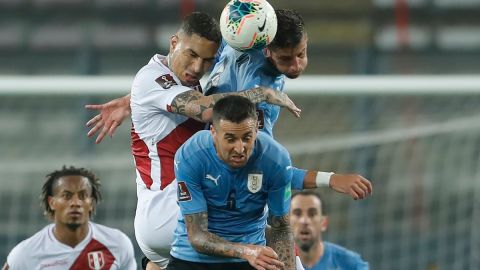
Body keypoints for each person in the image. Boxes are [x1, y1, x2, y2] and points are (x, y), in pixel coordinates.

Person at [85, 9, 372, 202]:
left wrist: (134, 98)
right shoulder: (260, 104)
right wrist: (331, 179)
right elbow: (270, 169)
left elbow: (194, 57)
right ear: (267, 50)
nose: (296, 65)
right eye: (287, 59)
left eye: (302, 53)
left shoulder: (238, 43)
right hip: (216, 195)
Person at [89, 11, 299, 270]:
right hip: (169, 209)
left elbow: (164, 95)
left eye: (207, 60)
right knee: (273, 239)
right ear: (174, 43)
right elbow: (207, 110)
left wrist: (129, 100)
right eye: (192, 55)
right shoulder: (151, 78)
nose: (198, 67)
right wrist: (262, 93)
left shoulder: (175, 82)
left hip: (163, 222)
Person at [169, 95, 295, 270]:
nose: (240, 148)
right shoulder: (191, 155)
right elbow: (197, 236)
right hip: (192, 258)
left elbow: (281, 229)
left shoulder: (276, 160)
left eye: (246, 137)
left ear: (257, 131)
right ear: (214, 132)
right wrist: (246, 251)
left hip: (251, 260)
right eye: (230, 139)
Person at [2, 166, 137, 270]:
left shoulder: (118, 244)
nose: (75, 203)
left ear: (91, 203)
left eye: (83, 196)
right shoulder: (26, 254)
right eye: (67, 196)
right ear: (52, 202)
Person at [290, 190, 369, 270]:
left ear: (324, 223)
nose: (304, 221)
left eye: (312, 214)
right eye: (297, 214)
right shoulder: (279, 263)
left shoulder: (353, 264)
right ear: (287, 223)